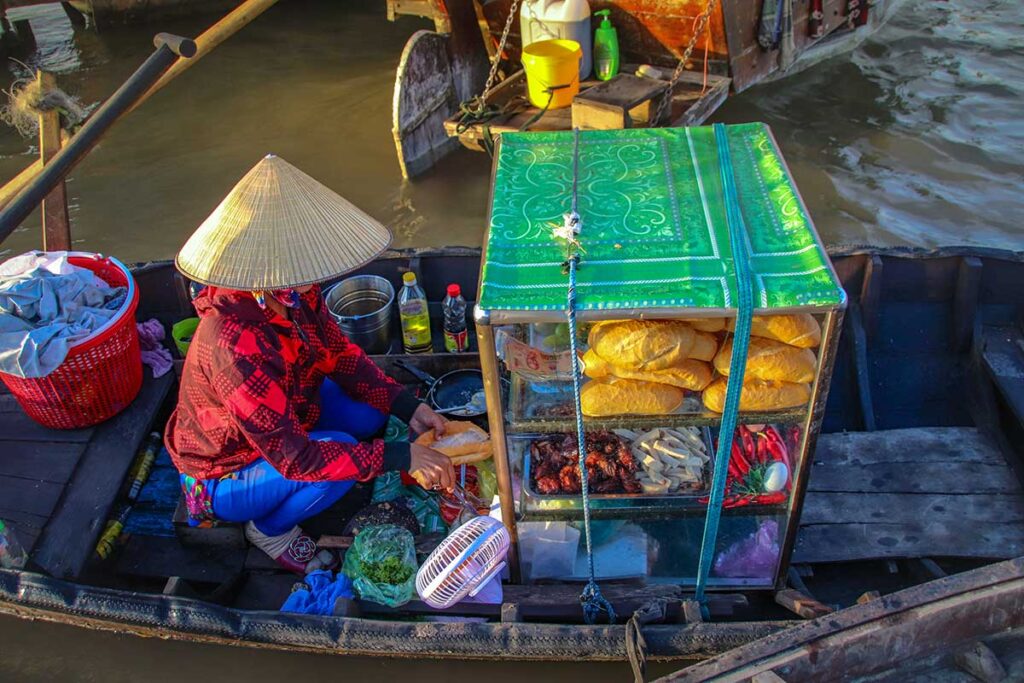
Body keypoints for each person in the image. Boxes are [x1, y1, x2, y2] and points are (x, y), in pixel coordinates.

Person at [165, 155, 455, 574]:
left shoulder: (296, 296)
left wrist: (410, 407)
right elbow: (295, 460)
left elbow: (341, 358)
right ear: (267, 274)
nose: (311, 277)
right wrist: (399, 457)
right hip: (226, 470)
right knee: (344, 457)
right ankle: (269, 529)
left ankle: (342, 450)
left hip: (292, 416)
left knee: (373, 408)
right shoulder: (235, 346)